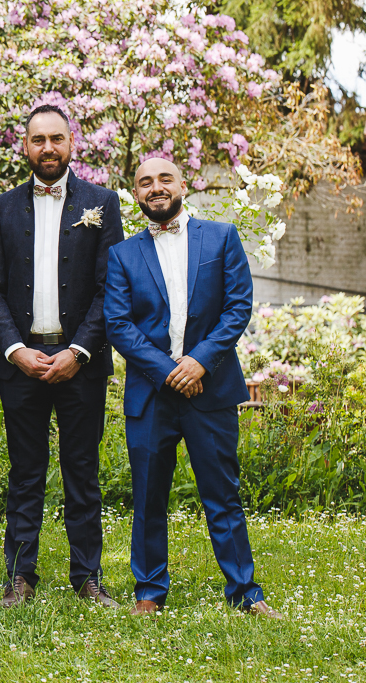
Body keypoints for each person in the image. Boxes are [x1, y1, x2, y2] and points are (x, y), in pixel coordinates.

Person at [103, 157, 283, 619]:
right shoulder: (123, 255)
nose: (156, 188)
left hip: (213, 390)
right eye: (145, 183)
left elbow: (237, 307)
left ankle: (246, 592)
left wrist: (199, 363)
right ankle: (149, 591)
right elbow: (119, 326)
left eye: (164, 179)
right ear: (136, 194)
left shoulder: (221, 238)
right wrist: (169, 371)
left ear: (182, 185)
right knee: (147, 497)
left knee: (223, 494)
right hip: (151, 393)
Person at [0, 104, 124, 608]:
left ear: (71, 143)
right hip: (22, 364)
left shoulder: (102, 204)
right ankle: (20, 577)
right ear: (25, 146)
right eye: (37, 139)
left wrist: (80, 351)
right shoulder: (0, 208)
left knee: (82, 470)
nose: (47, 148)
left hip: (80, 364)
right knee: (25, 472)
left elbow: (111, 289)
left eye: (56, 139)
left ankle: (87, 576)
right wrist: (15, 351)